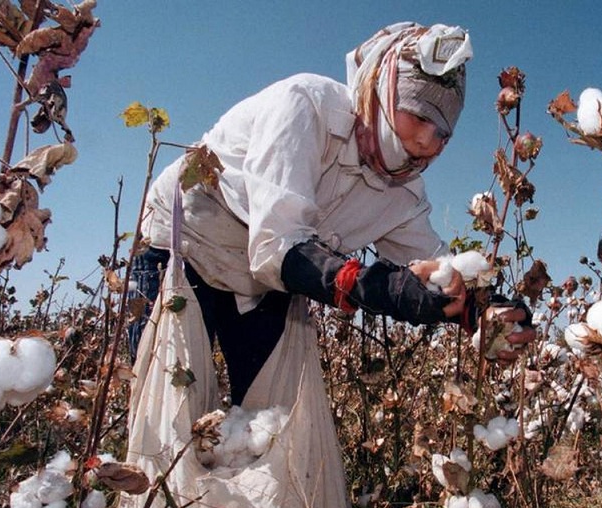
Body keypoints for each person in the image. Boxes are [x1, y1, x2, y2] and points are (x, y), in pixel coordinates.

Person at [132, 21, 534, 406]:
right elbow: (276, 247)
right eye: (419, 114)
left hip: (266, 284)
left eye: (443, 131)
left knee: (268, 425)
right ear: (383, 91)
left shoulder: (405, 194)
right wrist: (381, 288)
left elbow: (440, 271)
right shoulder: (305, 106)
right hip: (185, 247)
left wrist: (486, 309)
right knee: (173, 408)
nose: (428, 140)